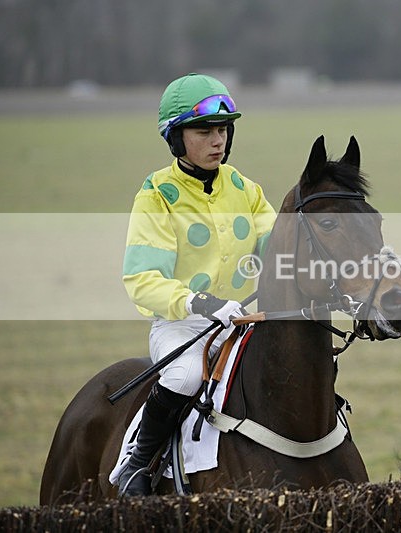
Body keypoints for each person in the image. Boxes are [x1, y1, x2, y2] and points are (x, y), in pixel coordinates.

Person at [117, 73, 277, 496]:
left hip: (241, 322)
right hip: (181, 326)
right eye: (204, 130)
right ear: (175, 138)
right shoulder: (157, 194)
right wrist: (202, 303)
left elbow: (279, 251)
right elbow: (141, 280)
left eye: (223, 130)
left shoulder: (245, 188)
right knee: (187, 377)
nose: (217, 140)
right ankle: (138, 462)